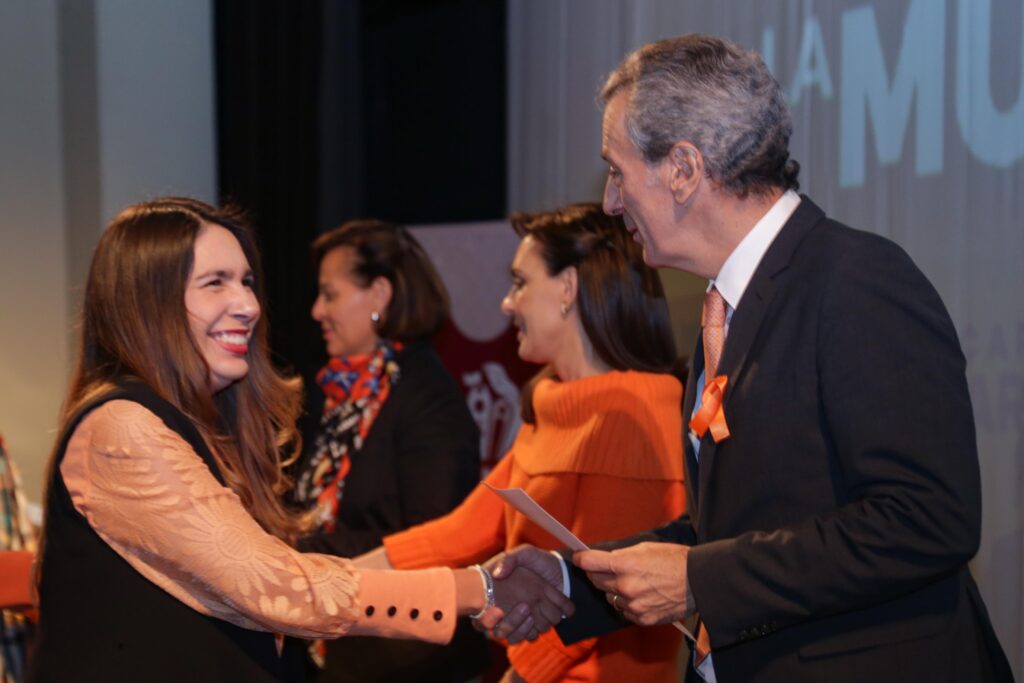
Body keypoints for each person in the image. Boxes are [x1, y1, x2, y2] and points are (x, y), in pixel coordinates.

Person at [489, 34, 1014, 682]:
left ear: (683, 169)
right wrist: (572, 578)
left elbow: (928, 517)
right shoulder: (723, 312)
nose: (610, 202)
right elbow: (739, 529)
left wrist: (700, 579)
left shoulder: (855, 279)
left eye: (618, 170)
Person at [28, 197, 572, 683]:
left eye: (246, 282)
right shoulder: (122, 429)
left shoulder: (192, 421)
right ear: (149, 302)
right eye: (216, 282)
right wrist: (477, 591)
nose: (249, 305)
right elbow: (272, 584)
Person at [356, 203, 686, 682]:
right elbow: (461, 535)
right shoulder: (554, 403)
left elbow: (609, 601)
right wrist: (332, 582)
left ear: (568, 288)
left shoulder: (635, 409)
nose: (507, 303)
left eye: (520, 282)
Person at [293, 220, 488, 682]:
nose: (316, 310)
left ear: (379, 295)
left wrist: (301, 546)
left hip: (408, 662)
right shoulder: (335, 395)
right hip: (344, 647)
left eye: (331, 294)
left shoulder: (426, 397)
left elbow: (434, 539)